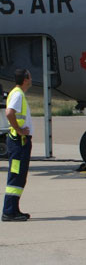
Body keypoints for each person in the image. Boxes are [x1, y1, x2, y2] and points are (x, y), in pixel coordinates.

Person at [3, 69, 33, 222]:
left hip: (20, 141)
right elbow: (9, 113)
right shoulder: (17, 94)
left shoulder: (18, 93)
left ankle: (13, 209)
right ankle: (9, 211)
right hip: (18, 142)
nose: (31, 78)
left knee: (19, 177)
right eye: (30, 76)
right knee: (16, 176)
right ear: (26, 79)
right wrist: (19, 130)